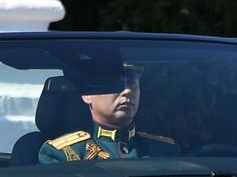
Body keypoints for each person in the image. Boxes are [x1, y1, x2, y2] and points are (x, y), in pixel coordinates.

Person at [39, 66, 179, 162]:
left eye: (132, 83)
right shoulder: (64, 154)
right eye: (114, 84)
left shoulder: (164, 150)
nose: (127, 91)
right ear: (87, 95)